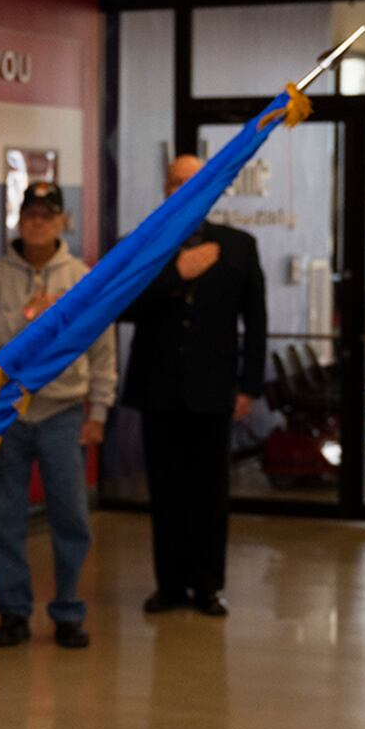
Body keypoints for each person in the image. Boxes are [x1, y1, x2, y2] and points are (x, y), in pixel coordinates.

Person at [0, 181, 114, 649]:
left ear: (62, 222)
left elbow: (103, 349)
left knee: (70, 517)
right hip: (4, 414)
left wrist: (100, 411)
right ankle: (13, 612)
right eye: (31, 215)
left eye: (47, 216)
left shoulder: (83, 278)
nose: (38, 223)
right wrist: (25, 319)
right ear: (20, 220)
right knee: (4, 519)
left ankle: (68, 611)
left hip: (63, 411)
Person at [122, 154, 266, 617]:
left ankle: (208, 584)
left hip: (214, 388)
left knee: (208, 492)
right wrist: (175, 274)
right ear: (166, 190)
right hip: (158, 386)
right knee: (164, 492)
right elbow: (123, 306)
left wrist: (249, 386)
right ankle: (170, 585)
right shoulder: (143, 244)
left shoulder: (240, 245)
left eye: (194, 181)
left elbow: (256, 322)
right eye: (176, 182)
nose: (184, 188)